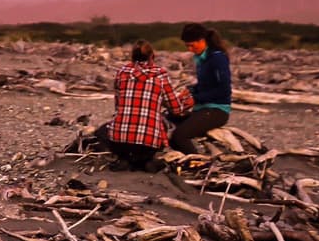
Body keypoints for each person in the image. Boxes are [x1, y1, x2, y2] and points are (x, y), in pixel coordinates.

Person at [95, 39, 189, 170]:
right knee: (163, 125)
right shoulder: (161, 75)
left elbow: (118, 106)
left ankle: (124, 158)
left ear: (133, 57)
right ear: (152, 56)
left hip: (120, 142)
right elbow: (176, 109)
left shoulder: (122, 72)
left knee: (102, 131)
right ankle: (145, 161)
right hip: (148, 144)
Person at [168, 22, 232, 154]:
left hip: (217, 110)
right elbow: (206, 85)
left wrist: (195, 99)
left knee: (180, 135)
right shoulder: (201, 58)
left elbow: (224, 90)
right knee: (168, 122)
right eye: (187, 46)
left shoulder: (217, 58)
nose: (190, 49)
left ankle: (197, 162)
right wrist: (190, 91)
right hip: (202, 108)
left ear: (202, 40)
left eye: (192, 45)